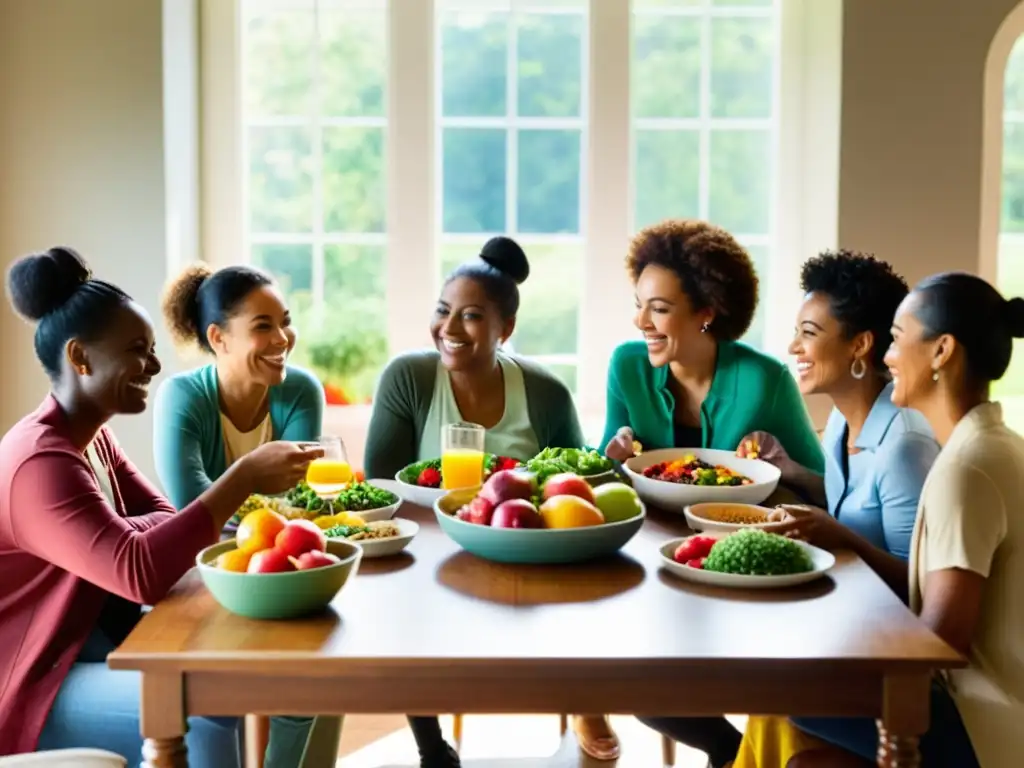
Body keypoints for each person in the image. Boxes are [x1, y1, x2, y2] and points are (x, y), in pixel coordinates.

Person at [0, 247, 322, 765]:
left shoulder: (93, 440)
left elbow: (170, 526)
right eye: (136, 350)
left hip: (86, 651)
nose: (153, 365)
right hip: (35, 685)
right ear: (81, 358)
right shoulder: (40, 463)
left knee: (241, 679)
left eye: (151, 349)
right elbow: (142, 570)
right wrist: (243, 477)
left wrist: (133, 536)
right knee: (208, 704)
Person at [640, 250, 942, 768]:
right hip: (847, 624)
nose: (793, 347)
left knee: (755, 684)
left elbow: (923, 592)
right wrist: (795, 474)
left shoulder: (905, 443)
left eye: (809, 332)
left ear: (861, 345)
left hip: (894, 666)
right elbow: (850, 502)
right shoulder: (848, 424)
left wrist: (838, 537)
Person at [590, 219, 826, 762]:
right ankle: (733, 753)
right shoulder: (627, 366)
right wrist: (613, 457)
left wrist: (781, 464)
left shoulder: (764, 380)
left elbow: (821, 495)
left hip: (739, 566)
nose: (640, 321)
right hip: (652, 562)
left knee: (723, 675)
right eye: (639, 304)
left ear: (706, 312)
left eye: (659, 308)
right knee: (634, 681)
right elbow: (599, 476)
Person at [774, 272, 1024, 767]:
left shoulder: (966, 469)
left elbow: (937, 645)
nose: (886, 358)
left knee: (786, 686)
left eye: (896, 339)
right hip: (992, 707)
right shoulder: (994, 446)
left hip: (987, 722)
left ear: (941, 351)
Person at [364, 236, 584, 767]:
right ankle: (431, 746)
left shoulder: (545, 392)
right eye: (443, 312)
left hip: (525, 557)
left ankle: (586, 704)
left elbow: (577, 484)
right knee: (399, 609)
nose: (449, 329)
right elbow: (380, 483)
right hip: (429, 559)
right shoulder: (409, 377)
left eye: (471, 316)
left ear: (505, 329)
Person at [152, 263, 339, 768]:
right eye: (263, 326)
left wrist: (257, 508)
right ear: (219, 338)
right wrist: (254, 481)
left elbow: (300, 504)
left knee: (316, 681)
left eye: (286, 321)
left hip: (281, 572)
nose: (283, 338)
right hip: (205, 580)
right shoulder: (182, 399)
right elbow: (195, 513)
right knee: (222, 700)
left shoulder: (300, 391)